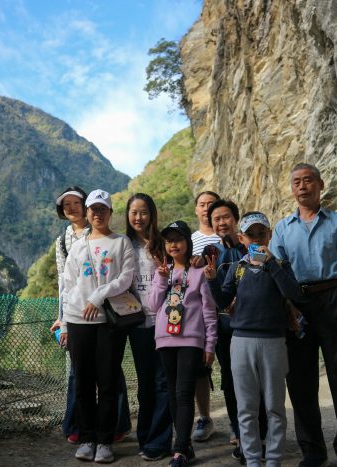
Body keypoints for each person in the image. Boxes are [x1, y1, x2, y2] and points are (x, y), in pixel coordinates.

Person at [269, 163, 337, 467]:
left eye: (308, 180)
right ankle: (312, 452)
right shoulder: (283, 228)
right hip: (297, 305)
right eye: (296, 182)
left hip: (334, 300)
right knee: (300, 382)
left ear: (320, 185)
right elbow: (276, 271)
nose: (302, 186)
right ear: (291, 188)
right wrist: (288, 308)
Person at [205, 211, 304, 467]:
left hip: (273, 341)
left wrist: (271, 263)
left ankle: (273, 460)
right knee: (246, 408)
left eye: (262, 233)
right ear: (242, 238)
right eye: (251, 235)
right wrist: (212, 280)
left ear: (270, 235)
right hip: (241, 341)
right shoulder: (238, 268)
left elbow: (294, 293)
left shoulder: (280, 266)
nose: (257, 239)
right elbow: (223, 301)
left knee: (274, 407)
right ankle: (252, 460)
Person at [49, 187, 131, 445]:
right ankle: (82, 431)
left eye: (76, 203)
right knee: (81, 377)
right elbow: (65, 282)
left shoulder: (116, 240)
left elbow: (124, 276)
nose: (71, 208)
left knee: (108, 377)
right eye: (66, 204)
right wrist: (63, 319)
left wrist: (97, 297)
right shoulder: (64, 242)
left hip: (108, 317)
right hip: (77, 318)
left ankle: (112, 429)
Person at [202, 200, 268, 462]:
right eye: (216, 219)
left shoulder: (252, 247)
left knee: (257, 381)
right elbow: (212, 290)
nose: (221, 223)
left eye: (226, 217)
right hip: (224, 328)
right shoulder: (211, 253)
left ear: (236, 220)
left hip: (253, 326)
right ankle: (239, 430)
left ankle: (261, 432)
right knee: (230, 381)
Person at [148, 220, 217, 467]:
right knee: (174, 396)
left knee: (184, 393)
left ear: (188, 243)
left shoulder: (199, 273)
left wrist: (210, 344)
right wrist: (161, 279)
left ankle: (179, 450)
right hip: (165, 340)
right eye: (168, 241)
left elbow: (209, 312)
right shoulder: (162, 272)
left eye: (177, 239)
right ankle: (185, 446)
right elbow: (153, 305)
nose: (173, 244)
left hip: (190, 339)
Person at [124, 193, 174, 461]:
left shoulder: (163, 244)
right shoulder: (124, 245)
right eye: (134, 212)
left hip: (166, 323)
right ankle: (145, 437)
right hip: (137, 324)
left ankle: (160, 441)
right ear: (127, 216)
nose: (139, 217)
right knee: (145, 384)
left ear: (152, 215)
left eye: (143, 212)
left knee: (163, 382)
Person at [189, 191, 220, 443]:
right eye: (202, 204)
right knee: (201, 368)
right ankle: (205, 418)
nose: (206, 208)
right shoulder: (189, 240)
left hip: (229, 308)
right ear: (196, 210)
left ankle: (240, 420)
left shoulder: (230, 236)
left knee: (234, 370)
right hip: (199, 312)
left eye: (211, 204)